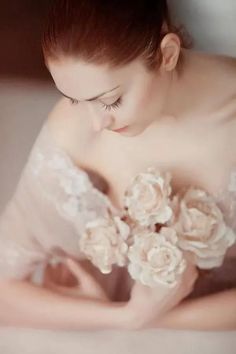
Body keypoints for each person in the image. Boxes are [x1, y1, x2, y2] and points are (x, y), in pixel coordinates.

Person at [0, 0, 236, 331]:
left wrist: (160, 317)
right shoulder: (74, 131)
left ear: (167, 54)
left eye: (110, 100)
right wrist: (127, 316)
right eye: (73, 99)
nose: (95, 122)